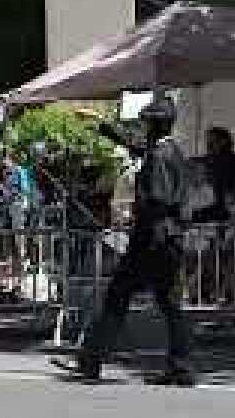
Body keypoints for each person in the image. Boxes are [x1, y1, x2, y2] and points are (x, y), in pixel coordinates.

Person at [55, 97, 196, 386]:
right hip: (167, 241)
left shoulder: (159, 156)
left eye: (146, 123)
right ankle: (180, 366)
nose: (144, 128)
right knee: (170, 305)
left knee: (116, 300)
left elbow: (158, 198)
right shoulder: (171, 151)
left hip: (150, 242)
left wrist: (134, 213)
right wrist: (102, 124)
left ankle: (90, 362)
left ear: (155, 125)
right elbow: (136, 147)